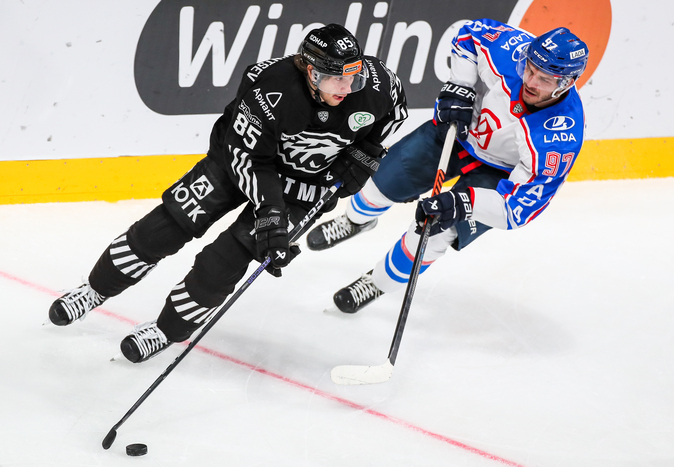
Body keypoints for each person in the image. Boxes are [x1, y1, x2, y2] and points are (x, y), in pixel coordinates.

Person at [48, 24, 407, 362]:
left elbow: (395, 112)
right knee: (164, 228)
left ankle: (166, 330)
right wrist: (270, 214)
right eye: (335, 78)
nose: (345, 87)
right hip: (235, 165)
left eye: (352, 77)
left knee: (222, 264)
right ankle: (95, 289)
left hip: (303, 188)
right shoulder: (271, 87)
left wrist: (365, 153)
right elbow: (249, 158)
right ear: (310, 72)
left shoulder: (377, 84)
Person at [304, 19, 589, 313]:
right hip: (458, 131)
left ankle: (377, 283)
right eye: (530, 70)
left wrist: (464, 203)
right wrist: (460, 87)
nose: (530, 82)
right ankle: (355, 220)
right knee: (382, 179)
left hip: (499, 174)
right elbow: (470, 34)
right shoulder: (511, 50)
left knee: (434, 234)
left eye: (544, 80)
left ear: (566, 83)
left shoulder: (560, 137)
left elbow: (517, 208)